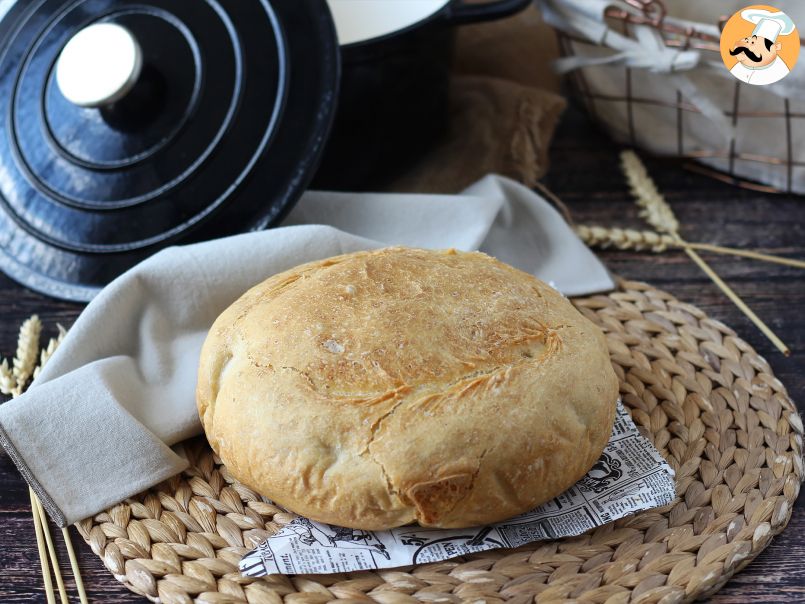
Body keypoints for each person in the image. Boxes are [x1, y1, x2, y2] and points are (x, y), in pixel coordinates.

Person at [729, 9, 796, 86]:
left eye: (753, 43)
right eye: (747, 40)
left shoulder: (780, 71)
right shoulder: (739, 66)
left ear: (775, 47)